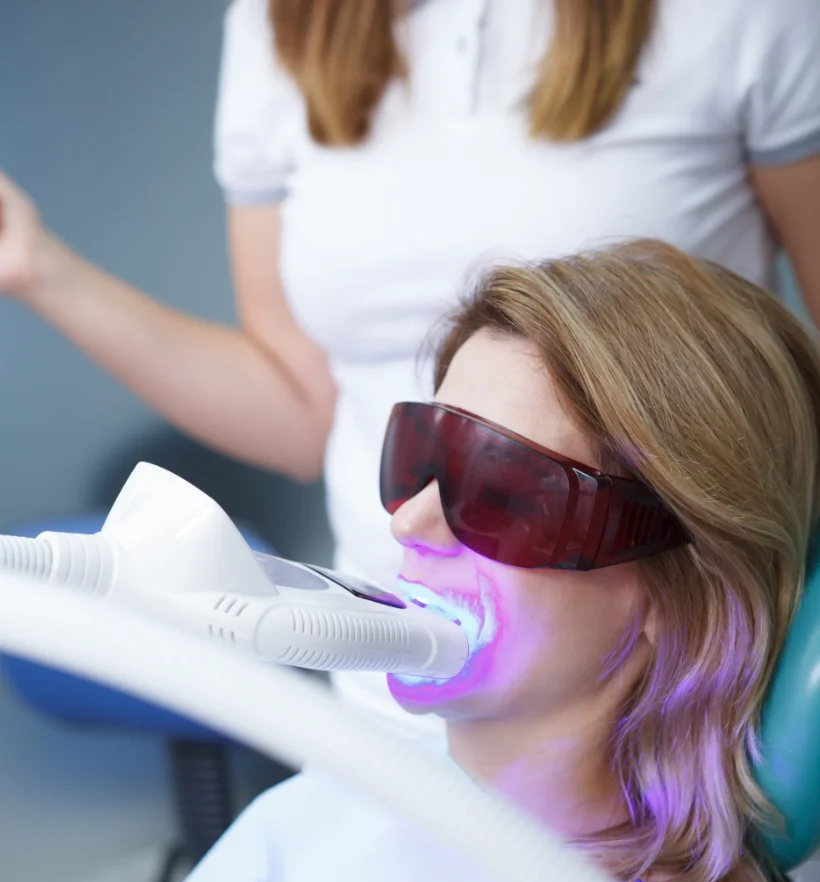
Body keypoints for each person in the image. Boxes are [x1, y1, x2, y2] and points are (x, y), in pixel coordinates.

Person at [1, 238, 819, 882]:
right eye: (419, 456)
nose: (412, 521)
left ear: (675, 592)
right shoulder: (356, 792)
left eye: (502, 486)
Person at [0, 0, 819, 730]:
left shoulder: (741, 18)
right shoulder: (282, 25)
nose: (410, 519)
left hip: (669, 706)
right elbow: (298, 407)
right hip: (388, 690)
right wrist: (37, 265)